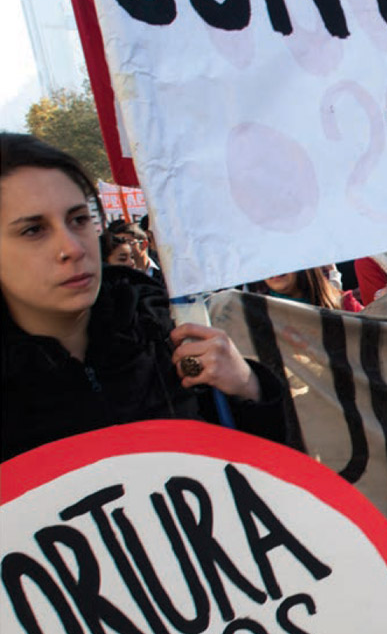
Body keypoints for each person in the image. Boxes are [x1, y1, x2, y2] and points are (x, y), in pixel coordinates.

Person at [1, 133, 286, 462]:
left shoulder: (166, 332)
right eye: (33, 230)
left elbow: (265, 481)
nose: (72, 248)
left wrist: (249, 390)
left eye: (79, 220)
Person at [250, 268, 363, 312]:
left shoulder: (346, 305)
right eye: (263, 264)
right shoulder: (256, 316)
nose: (273, 269)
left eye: (281, 259)